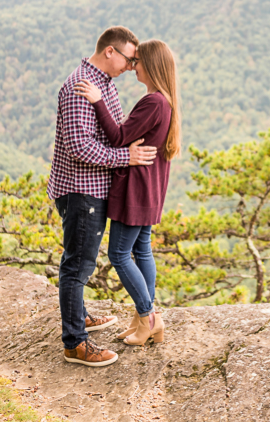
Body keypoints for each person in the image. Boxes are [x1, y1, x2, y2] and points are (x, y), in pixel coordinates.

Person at [48, 26, 158, 368]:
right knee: (77, 267)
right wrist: (127, 157)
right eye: (128, 58)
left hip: (94, 189)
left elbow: (111, 132)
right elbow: (81, 148)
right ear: (110, 52)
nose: (131, 66)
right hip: (81, 190)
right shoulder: (80, 87)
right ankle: (76, 344)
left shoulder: (103, 84)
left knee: (81, 261)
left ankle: (78, 316)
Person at [75, 39, 181, 347]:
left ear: (152, 65)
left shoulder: (154, 103)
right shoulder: (165, 100)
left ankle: (148, 317)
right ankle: (143, 320)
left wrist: (97, 100)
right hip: (150, 188)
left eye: (138, 62)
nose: (133, 66)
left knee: (119, 254)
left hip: (135, 189)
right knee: (142, 249)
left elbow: (119, 136)